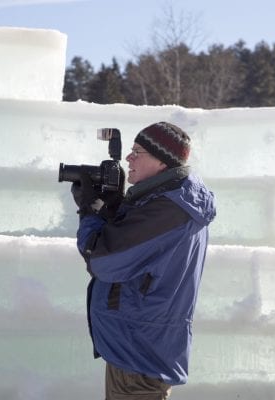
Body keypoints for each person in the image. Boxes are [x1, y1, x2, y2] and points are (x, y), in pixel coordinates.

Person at [71, 121, 216, 399]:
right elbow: (136, 251)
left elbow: (103, 261)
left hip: (139, 353)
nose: (128, 158)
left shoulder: (168, 209)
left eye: (138, 151)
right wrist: (113, 209)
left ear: (163, 162)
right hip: (138, 346)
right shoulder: (166, 202)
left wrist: (89, 214)